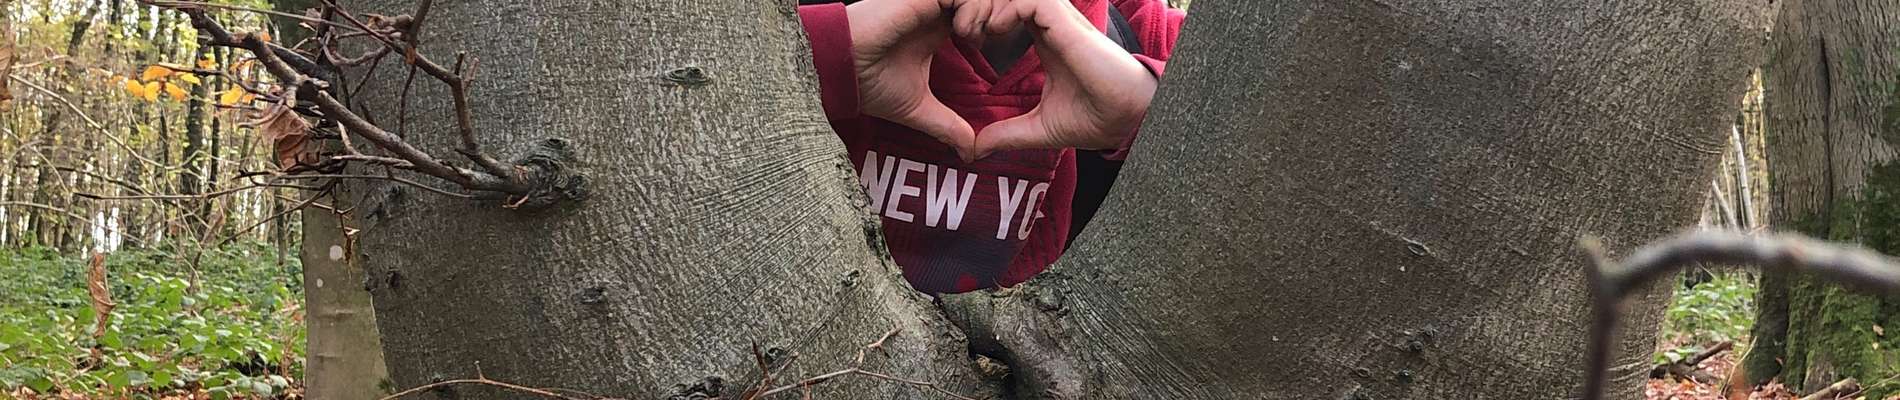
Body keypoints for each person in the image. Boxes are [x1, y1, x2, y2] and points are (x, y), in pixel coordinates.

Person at [797, 0, 1184, 293]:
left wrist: (1148, 111)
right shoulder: (786, 18)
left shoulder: (1150, 38)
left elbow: (1219, 132)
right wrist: (822, 53)